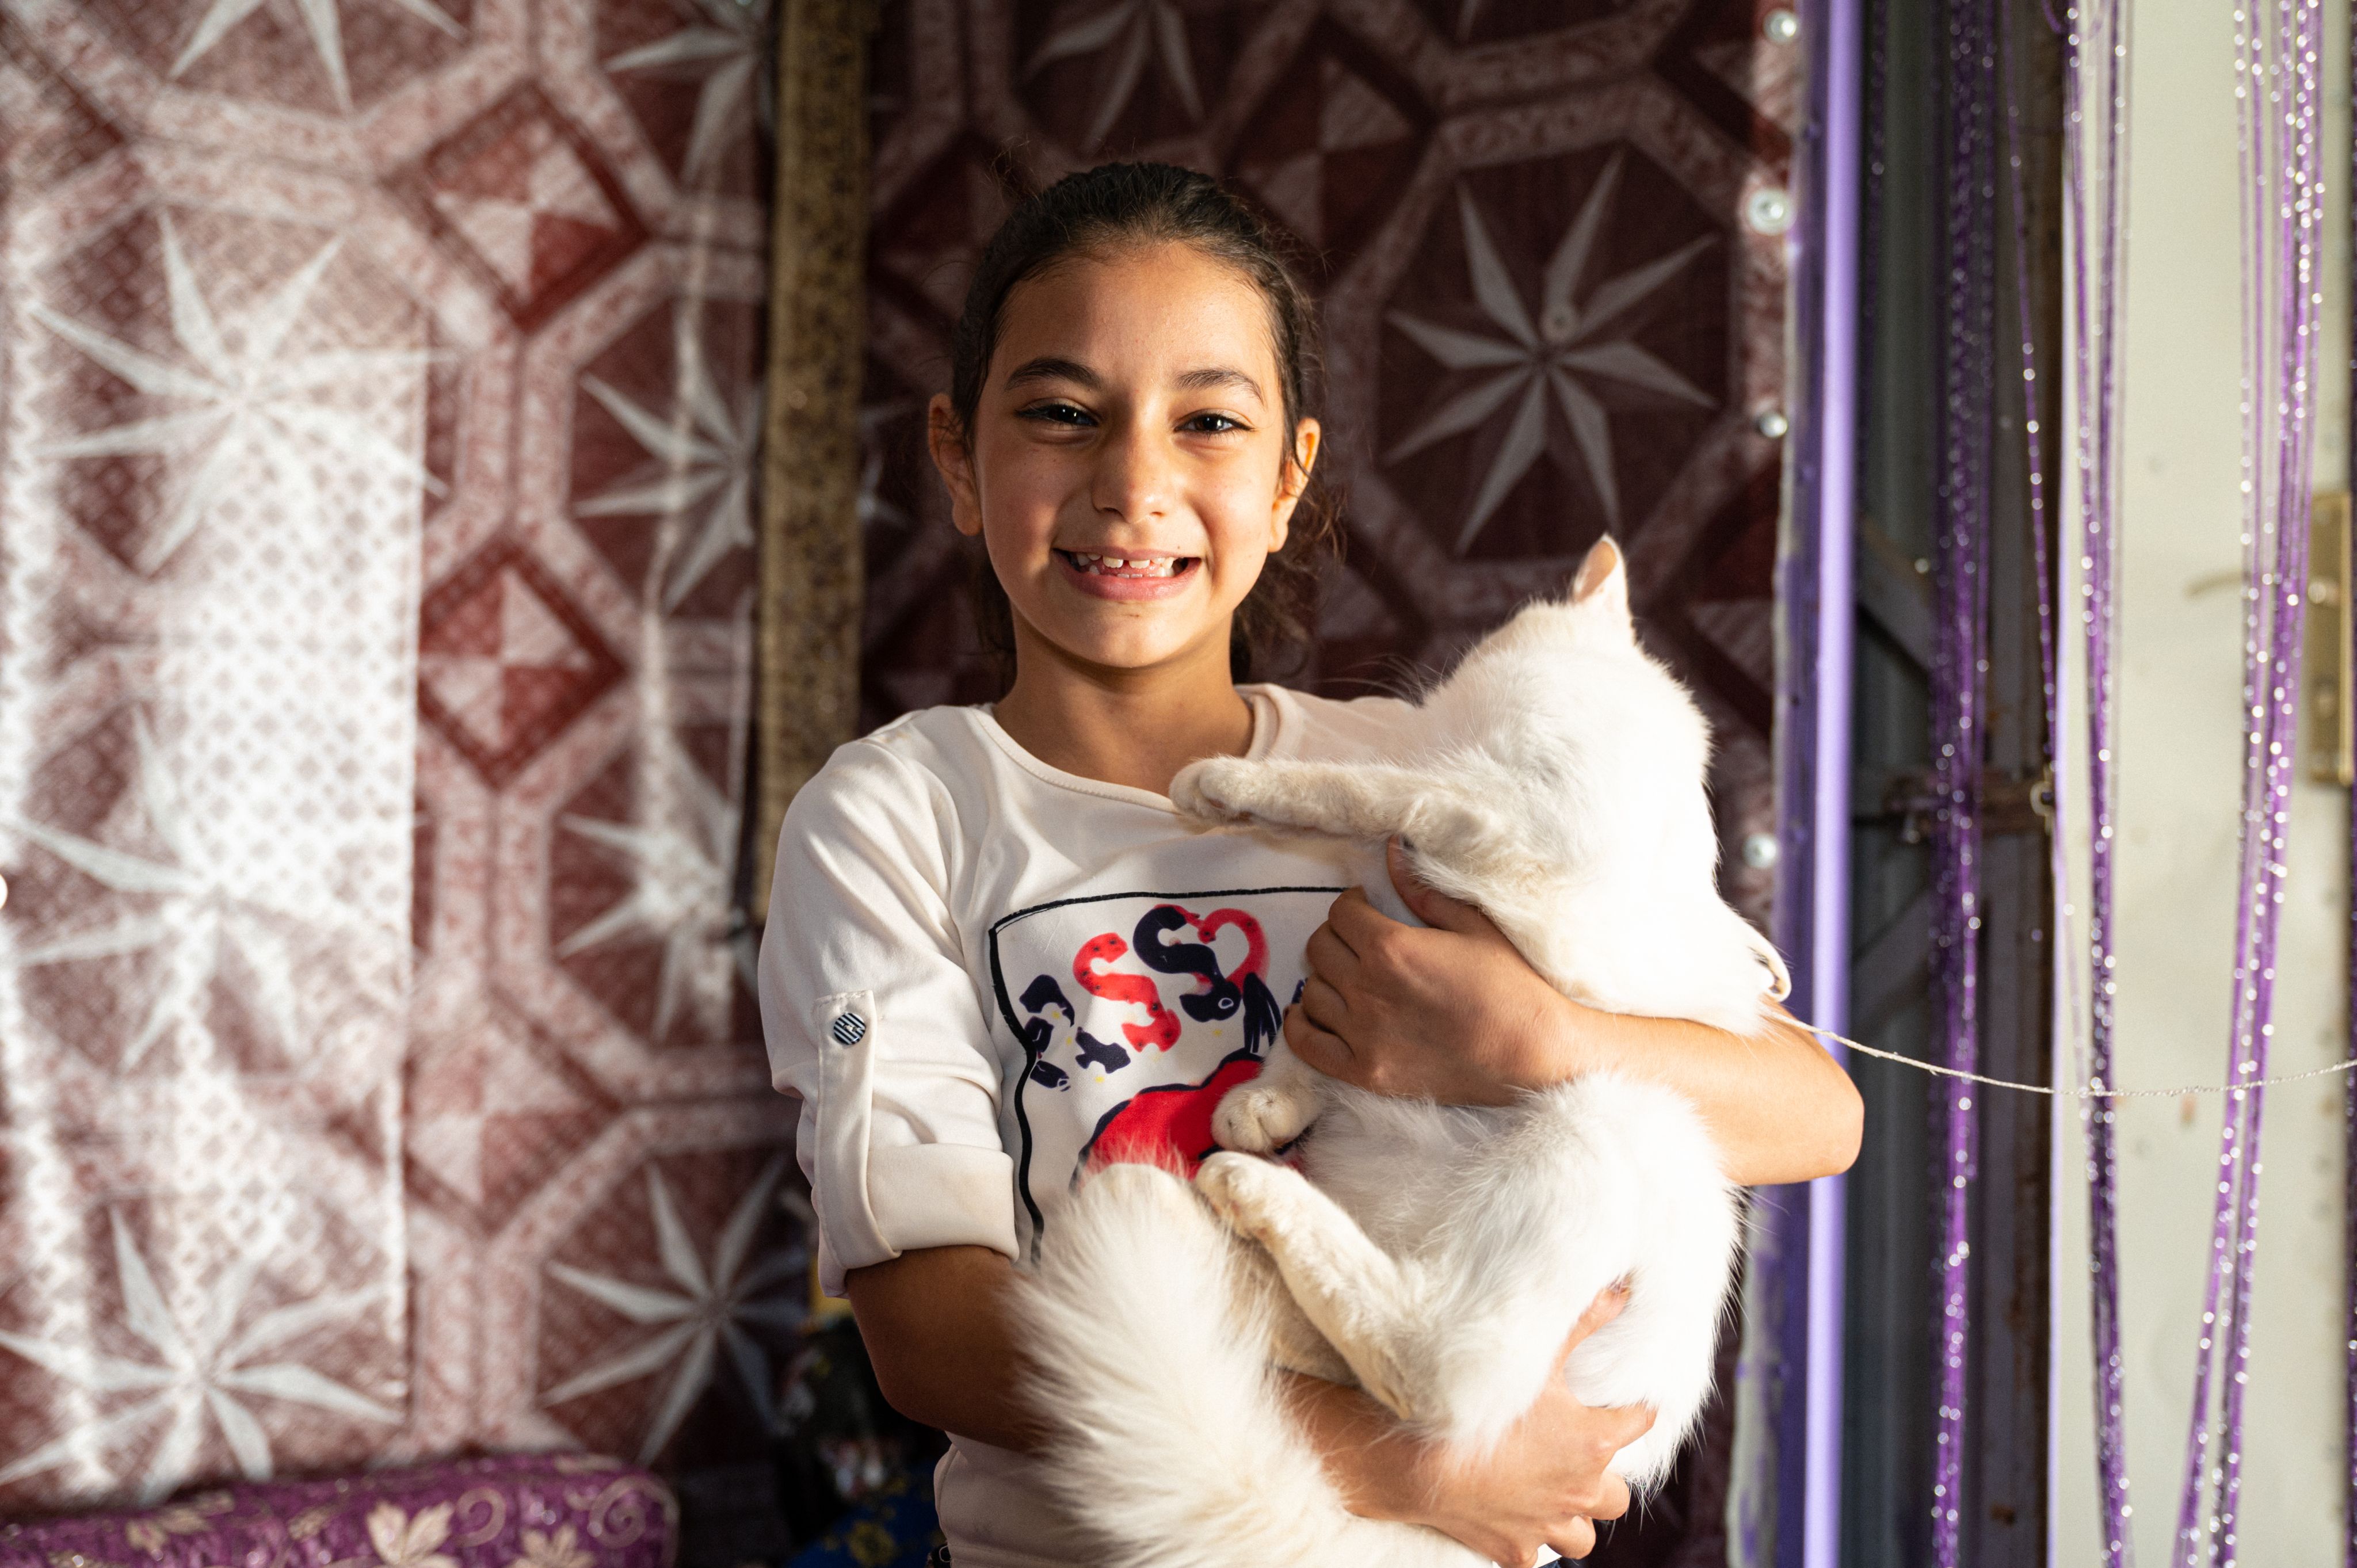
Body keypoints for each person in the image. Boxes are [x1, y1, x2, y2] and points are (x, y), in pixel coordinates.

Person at [757, 161, 1862, 1568]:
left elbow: (1810, 1111)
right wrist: (1393, 1459)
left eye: (1206, 421)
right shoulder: (897, 815)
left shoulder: (1415, 772)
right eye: (1058, 413)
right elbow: (930, 1336)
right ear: (959, 460)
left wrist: (1534, 1036)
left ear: (1286, 482)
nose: (1133, 481)